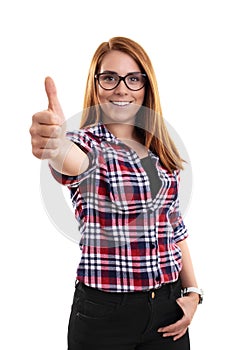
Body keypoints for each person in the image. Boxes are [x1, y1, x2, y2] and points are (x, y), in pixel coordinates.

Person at [30, 36, 203, 350]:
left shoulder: (161, 151)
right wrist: (54, 146)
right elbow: (72, 161)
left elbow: (175, 227)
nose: (121, 88)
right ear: (96, 85)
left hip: (168, 310)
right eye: (109, 78)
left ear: (146, 86)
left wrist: (192, 293)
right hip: (104, 317)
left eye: (133, 79)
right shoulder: (86, 144)